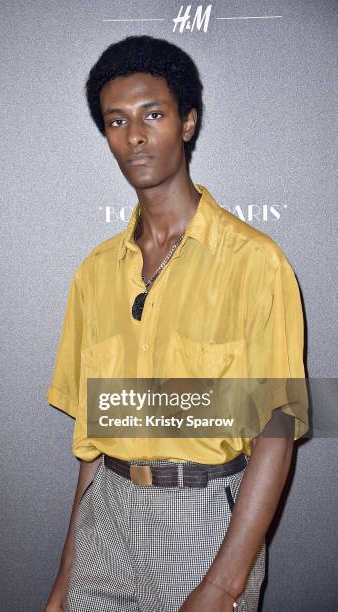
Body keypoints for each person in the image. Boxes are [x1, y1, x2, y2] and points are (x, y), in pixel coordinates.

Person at [44, 35, 308, 612]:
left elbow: (277, 429)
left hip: (206, 515)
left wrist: (224, 584)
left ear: (187, 123)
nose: (134, 136)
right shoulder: (95, 274)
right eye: (116, 121)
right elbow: (93, 446)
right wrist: (65, 579)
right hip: (107, 514)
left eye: (153, 115)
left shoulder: (253, 261)